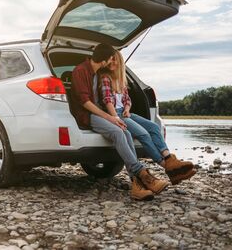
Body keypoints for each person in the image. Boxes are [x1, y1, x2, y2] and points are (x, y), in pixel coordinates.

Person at [71, 43, 169, 201]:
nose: (112, 61)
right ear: (104, 60)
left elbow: (112, 96)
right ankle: (143, 174)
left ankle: (137, 185)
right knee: (118, 132)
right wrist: (111, 117)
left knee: (126, 133)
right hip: (87, 115)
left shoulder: (100, 73)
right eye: (110, 58)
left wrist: (116, 115)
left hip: (102, 113)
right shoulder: (81, 71)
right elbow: (85, 103)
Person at [96, 50, 196, 185]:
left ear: (120, 62)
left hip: (124, 112)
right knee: (144, 134)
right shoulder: (105, 78)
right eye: (110, 60)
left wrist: (126, 109)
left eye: (115, 60)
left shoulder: (121, 80)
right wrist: (116, 118)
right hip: (115, 114)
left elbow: (127, 100)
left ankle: (169, 159)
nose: (112, 63)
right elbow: (107, 100)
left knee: (154, 127)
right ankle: (167, 167)